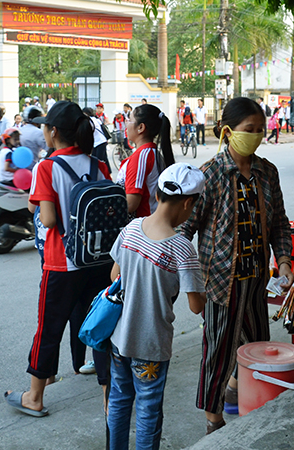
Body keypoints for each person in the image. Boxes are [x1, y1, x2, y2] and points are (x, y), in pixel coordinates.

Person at [180, 96, 293, 434]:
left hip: (257, 279)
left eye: (260, 130)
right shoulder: (210, 175)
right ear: (228, 131)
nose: (256, 135)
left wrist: (284, 261)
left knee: (257, 346)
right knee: (219, 349)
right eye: (249, 129)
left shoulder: (267, 172)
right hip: (219, 284)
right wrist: (187, 283)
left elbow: (279, 224)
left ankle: (240, 393)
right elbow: (185, 228)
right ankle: (214, 419)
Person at [4, 100, 111, 417]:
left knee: (49, 329)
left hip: (61, 263)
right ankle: (109, 399)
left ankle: (34, 397)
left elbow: (46, 219)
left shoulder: (46, 167)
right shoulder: (97, 166)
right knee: (102, 328)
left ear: (52, 132)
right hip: (98, 261)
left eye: (45, 126)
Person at [107, 163, 207, 450]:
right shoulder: (182, 247)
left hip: (119, 337)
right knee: (148, 409)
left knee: (119, 400)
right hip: (151, 343)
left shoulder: (132, 227)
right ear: (188, 203)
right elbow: (196, 306)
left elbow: (115, 275)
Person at [116, 104, 175, 218]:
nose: (126, 124)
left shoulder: (141, 157)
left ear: (141, 128)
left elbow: (131, 203)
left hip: (143, 227)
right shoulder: (151, 153)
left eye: (129, 120)